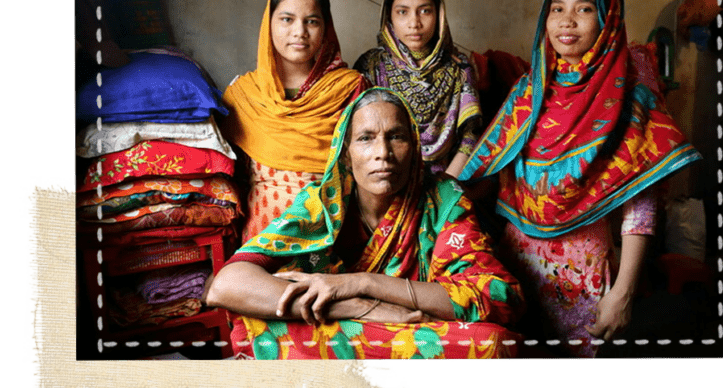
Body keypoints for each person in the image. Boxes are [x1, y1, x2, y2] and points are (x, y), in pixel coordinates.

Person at [459, 0, 702, 358]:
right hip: (514, 268)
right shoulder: (529, 90)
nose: (566, 21)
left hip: (582, 277)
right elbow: (488, 170)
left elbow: (639, 206)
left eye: (584, 8)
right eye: (557, 8)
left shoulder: (628, 97)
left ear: (607, 19)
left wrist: (622, 292)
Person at [206, 88, 523, 359]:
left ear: (414, 149)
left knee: (492, 343)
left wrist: (361, 283)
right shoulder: (323, 203)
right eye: (365, 139)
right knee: (258, 323)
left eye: (396, 137)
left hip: (419, 329)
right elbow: (225, 286)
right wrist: (356, 306)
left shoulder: (444, 200)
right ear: (345, 154)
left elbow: (500, 297)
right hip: (365, 326)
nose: (382, 153)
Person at [222, 0, 366, 243]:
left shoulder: (350, 90)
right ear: (269, 25)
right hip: (258, 242)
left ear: (326, 28)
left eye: (312, 21)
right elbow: (230, 188)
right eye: (287, 19)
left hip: (332, 240)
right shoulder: (244, 96)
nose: (300, 31)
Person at [354, 0, 481, 178]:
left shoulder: (459, 70)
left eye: (425, 11)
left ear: (439, 13)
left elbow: (470, 137)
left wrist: (445, 191)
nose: (415, 23)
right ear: (389, 16)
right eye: (403, 12)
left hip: (447, 182)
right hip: (383, 180)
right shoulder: (371, 67)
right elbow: (358, 138)